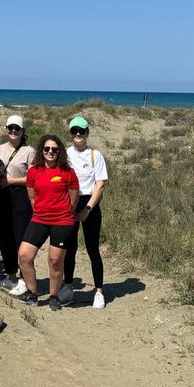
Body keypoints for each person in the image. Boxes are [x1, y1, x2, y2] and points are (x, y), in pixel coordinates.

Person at [16, 134, 80, 308]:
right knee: (24, 255)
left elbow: (74, 200)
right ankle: (32, 293)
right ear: (41, 151)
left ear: (60, 152)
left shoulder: (68, 172)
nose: (50, 152)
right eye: (46, 149)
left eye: (54, 149)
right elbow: (32, 196)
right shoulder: (33, 171)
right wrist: (42, 211)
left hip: (62, 221)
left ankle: (54, 296)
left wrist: (63, 213)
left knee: (55, 260)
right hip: (39, 219)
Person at [61, 116, 109, 309]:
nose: (78, 135)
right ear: (71, 134)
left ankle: (99, 291)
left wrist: (87, 209)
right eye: (75, 131)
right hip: (69, 203)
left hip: (90, 203)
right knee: (69, 248)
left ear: (87, 133)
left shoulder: (95, 155)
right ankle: (68, 285)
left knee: (92, 249)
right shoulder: (64, 154)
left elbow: (100, 185)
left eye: (82, 131)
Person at [0, 115, 36, 295]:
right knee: (4, 236)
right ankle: (10, 275)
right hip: (2, 196)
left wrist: (10, 180)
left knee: (21, 238)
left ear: (22, 131)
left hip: (21, 197)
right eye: (10, 128)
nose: (13, 131)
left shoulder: (29, 151)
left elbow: (32, 177)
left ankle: (24, 279)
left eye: (17, 128)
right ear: (6, 129)